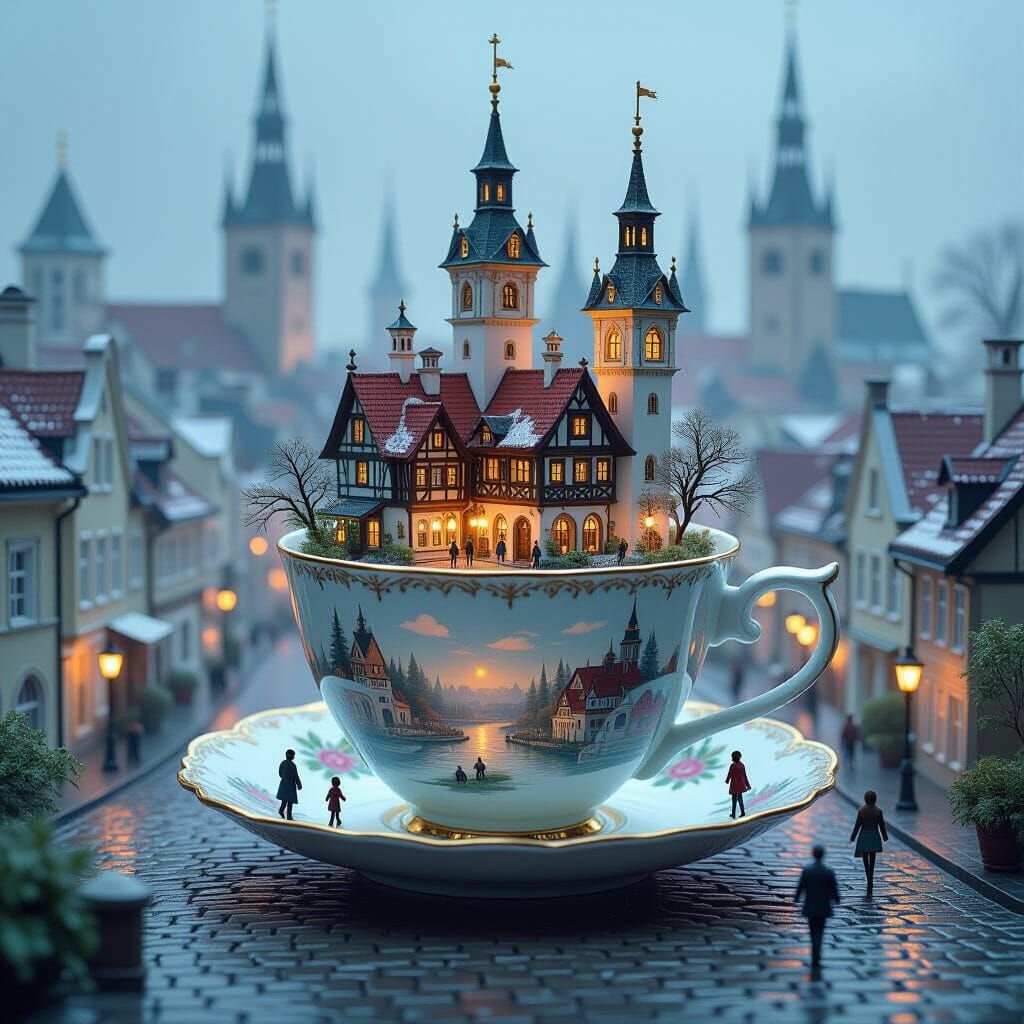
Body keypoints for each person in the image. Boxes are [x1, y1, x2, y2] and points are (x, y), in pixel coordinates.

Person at [794, 845, 840, 974]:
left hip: (810, 906)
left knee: (813, 931)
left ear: (813, 854)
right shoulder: (828, 871)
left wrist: (797, 898)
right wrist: (836, 899)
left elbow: (801, 887)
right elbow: (834, 889)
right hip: (824, 907)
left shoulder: (807, 870)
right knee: (820, 931)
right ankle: (817, 955)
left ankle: (815, 955)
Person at [849, 789, 889, 895]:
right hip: (874, 836)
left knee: (865, 860)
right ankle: (871, 877)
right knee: (873, 859)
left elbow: (857, 825)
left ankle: (868, 878)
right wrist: (884, 836)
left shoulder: (862, 810)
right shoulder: (878, 811)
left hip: (864, 836)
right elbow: (882, 825)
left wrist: (853, 837)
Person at [276, 749, 302, 820]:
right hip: (291, 786)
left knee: (284, 800)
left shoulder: (283, 763)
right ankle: (289, 816)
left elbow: (280, 773)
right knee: (290, 802)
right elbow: (296, 776)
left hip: (284, 784)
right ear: (293, 757)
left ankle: (281, 811)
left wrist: (284, 777)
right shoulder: (293, 765)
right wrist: (299, 784)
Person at [725, 750, 751, 818]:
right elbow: (730, 773)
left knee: (734, 800)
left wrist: (748, 785)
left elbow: (744, 776)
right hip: (737, 786)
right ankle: (742, 812)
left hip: (736, 786)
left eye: (733, 756)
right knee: (739, 799)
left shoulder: (738, 765)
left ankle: (734, 814)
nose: (733, 758)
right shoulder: (737, 765)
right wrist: (727, 780)